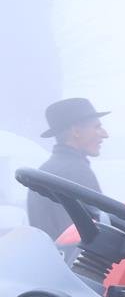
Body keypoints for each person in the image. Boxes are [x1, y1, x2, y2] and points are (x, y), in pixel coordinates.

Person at [27, 97, 110, 240]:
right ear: (76, 131)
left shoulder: (44, 171)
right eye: (97, 127)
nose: (105, 134)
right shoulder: (76, 172)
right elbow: (90, 234)